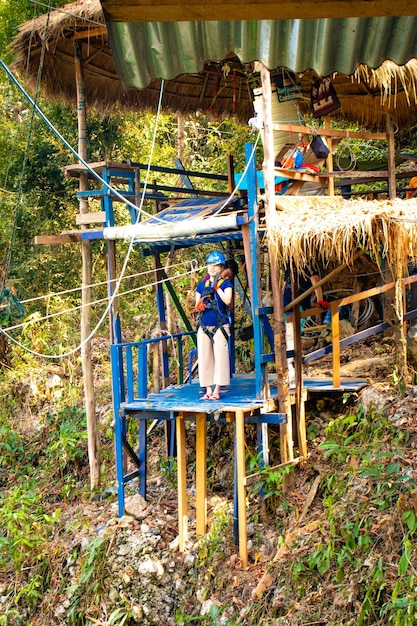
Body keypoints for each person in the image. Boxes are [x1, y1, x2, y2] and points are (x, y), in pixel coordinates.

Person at [195, 251, 233, 400]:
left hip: (220, 324)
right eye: (210, 265)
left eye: (215, 265)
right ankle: (208, 389)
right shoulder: (201, 285)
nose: (211, 268)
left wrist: (217, 289)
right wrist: (201, 304)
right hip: (204, 324)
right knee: (204, 356)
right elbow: (196, 303)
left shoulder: (226, 284)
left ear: (221, 267)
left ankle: (217, 389)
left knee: (220, 356)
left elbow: (228, 301)